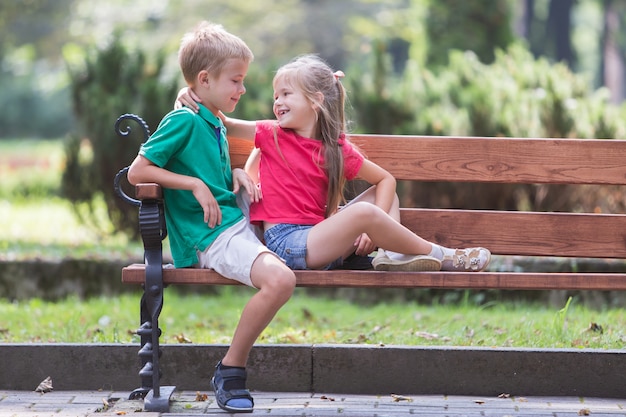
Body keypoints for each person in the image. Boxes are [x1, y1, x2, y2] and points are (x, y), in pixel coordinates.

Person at [176, 54, 491, 273]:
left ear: (315, 100)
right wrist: (190, 93)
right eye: (276, 95)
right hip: (287, 244)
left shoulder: (336, 149)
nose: (277, 102)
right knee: (365, 213)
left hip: (321, 240)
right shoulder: (271, 134)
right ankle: (441, 255)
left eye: (286, 93)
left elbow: (386, 181)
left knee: (382, 201)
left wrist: (375, 229)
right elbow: (223, 121)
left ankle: (394, 254)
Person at [127, 21, 296, 414]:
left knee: (299, 206)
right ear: (204, 79)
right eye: (236, 81)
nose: (243, 89)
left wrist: (234, 174)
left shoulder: (212, 118)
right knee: (281, 279)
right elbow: (137, 171)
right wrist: (192, 185)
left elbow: (212, 171)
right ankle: (231, 369)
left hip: (234, 221)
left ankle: (354, 241)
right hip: (211, 237)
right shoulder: (183, 119)